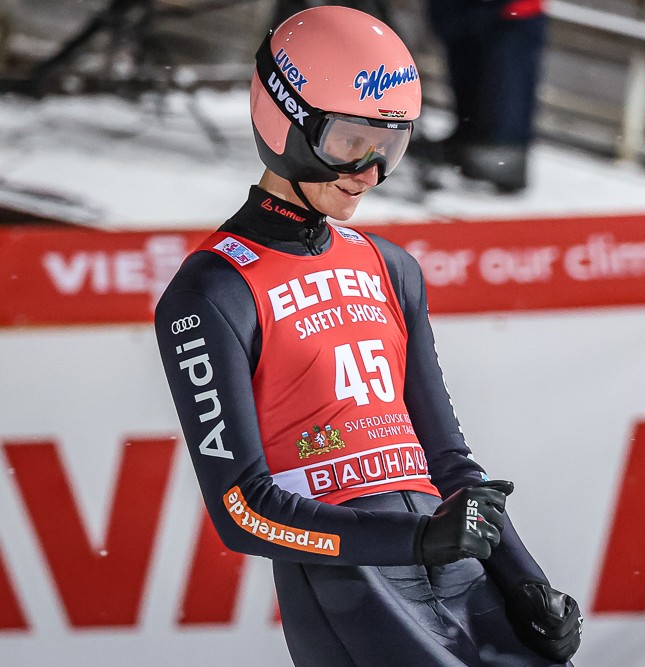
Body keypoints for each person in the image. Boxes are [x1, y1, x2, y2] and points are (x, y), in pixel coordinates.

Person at [153, 6, 582, 666]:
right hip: (355, 589)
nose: (369, 172)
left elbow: (449, 463)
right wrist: (415, 540)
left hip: (461, 570)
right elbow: (244, 511)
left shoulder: (390, 266)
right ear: (284, 118)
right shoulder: (212, 291)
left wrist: (523, 579)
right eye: (350, 142)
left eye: (390, 146)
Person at [415, 0, 548, 193]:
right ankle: (474, 147)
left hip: (507, 15)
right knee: (473, 59)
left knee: (501, 70)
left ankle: (497, 153)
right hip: (481, 14)